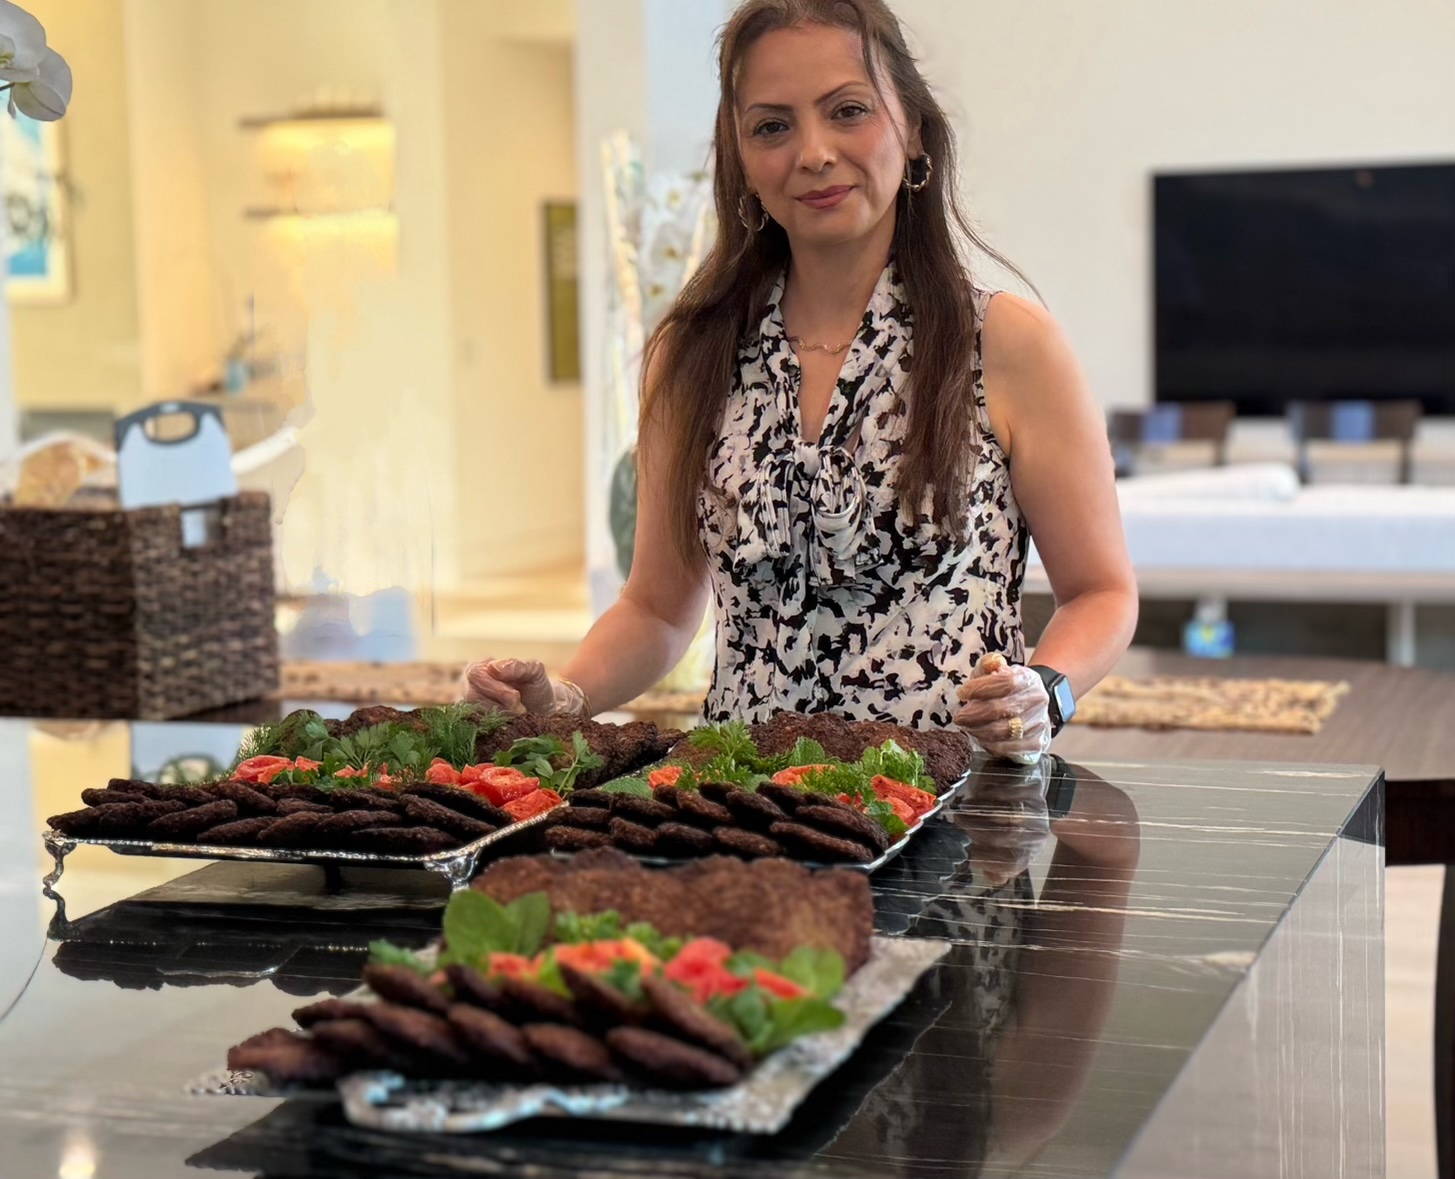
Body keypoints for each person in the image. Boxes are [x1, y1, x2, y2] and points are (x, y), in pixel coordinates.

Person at [466, 0, 1137, 763]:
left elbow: (1100, 591)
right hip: (741, 798)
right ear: (741, 157)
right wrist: (564, 696)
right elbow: (655, 608)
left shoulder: (1005, 342)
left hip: (951, 802)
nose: (813, 153)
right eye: (772, 126)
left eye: (847, 110)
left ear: (912, 127)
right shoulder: (691, 355)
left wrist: (1044, 689)